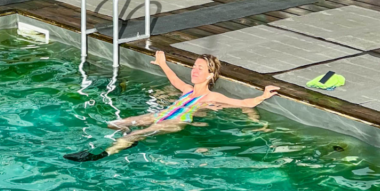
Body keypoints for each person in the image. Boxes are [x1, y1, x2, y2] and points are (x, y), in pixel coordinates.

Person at [64, 51, 279, 162]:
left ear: (210, 75)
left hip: (175, 121)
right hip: (160, 114)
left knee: (133, 135)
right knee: (116, 123)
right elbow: (174, 80)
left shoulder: (210, 96)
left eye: (200, 68)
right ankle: (125, 140)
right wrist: (163, 64)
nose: (194, 71)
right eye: (194, 66)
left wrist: (262, 96)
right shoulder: (187, 90)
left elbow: (242, 102)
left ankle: (98, 156)